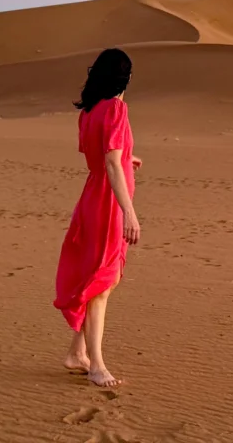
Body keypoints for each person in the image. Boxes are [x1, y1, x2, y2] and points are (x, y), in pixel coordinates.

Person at [53, 48, 142, 387]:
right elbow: (108, 161)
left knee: (97, 278)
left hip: (94, 196)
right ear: (126, 78)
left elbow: (103, 155)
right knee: (102, 283)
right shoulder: (117, 109)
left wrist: (128, 159)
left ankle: (77, 352)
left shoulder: (90, 111)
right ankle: (97, 366)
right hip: (107, 204)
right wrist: (129, 212)